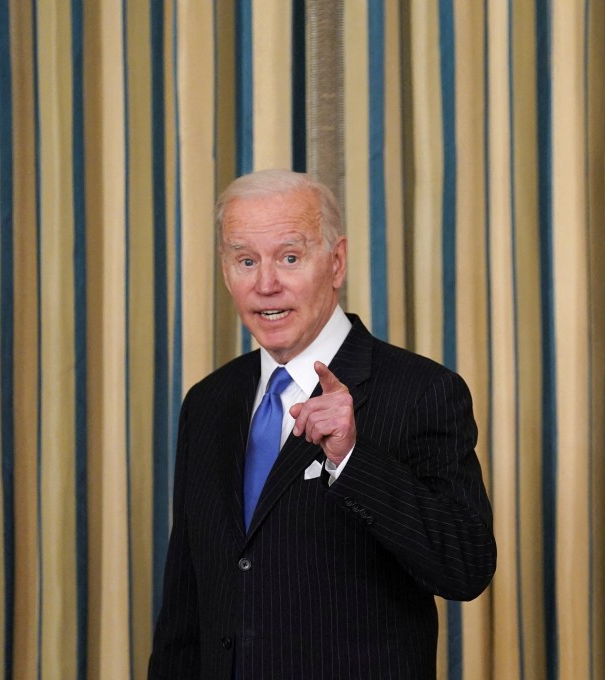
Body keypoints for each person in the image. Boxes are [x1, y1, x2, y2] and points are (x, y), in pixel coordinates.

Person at [148, 169, 496, 679]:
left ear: (336, 263)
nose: (266, 284)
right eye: (246, 260)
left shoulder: (421, 391)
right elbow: (186, 599)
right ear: (226, 272)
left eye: (290, 257)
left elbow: (465, 566)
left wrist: (353, 459)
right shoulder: (207, 402)